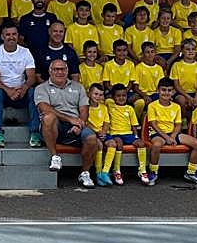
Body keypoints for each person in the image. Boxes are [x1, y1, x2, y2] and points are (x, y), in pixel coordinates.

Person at [34, 59, 96, 188]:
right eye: (56, 69)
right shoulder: (41, 88)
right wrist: (70, 119)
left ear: (67, 71)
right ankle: (55, 157)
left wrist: (79, 124)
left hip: (75, 124)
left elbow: (84, 110)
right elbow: (44, 108)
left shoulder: (78, 87)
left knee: (91, 138)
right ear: (50, 71)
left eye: (62, 69)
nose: (60, 72)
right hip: (55, 126)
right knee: (48, 117)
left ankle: (85, 173)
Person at [0, 22, 38, 148]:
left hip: (21, 92)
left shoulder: (25, 52)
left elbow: (31, 77)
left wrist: (24, 88)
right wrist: (8, 90)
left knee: (34, 91)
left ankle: (35, 133)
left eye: (14, 34)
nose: (11, 37)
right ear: (2, 36)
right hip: (3, 94)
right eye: (8, 34)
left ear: (18, 35)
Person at [146, 78, 197, 186]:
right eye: (163, 90)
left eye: (169, 90)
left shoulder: (176, 106)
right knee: (157, 145)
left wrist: (172, 136)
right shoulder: (152, 105)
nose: (166, 93)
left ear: (173, 92)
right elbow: (154, 125)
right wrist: (167, 138)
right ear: (158, 90)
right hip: (157, 133)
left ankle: (191, 172)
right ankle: (153, 171)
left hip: (173, 133)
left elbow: (178, 125)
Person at [105, 84, 146, 186]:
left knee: (141, 144)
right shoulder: (110, 106)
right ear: (113, 97)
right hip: (115, 134)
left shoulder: (130, 108)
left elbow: (134, 125)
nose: (121, 98)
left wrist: (136, 136)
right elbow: (105, 101)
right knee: (119, 143)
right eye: (118, 96)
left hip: (128, 134)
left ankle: (142, 170)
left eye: (124, 95)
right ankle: (116, 170)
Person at [85, 83, 113, 185]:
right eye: (95, 94)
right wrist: (97, 132)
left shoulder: (104, 107)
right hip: (92, 132)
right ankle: (98, 173)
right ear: (89, 94)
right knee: (99, 145)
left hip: (102, 132)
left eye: (100, 95)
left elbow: (106, 122)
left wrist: (104, 132)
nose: (98, 97)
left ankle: (105, 172)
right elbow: (86, 123)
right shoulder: (86, 107)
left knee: (112, 144)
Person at [170, 38, 197, 112]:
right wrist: (188, 97)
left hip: (195, 93)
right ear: (182, 51)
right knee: (181, 100)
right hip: (181, 93)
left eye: (193, 49)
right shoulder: (176, 65)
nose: (191, 51)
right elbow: (176, 85)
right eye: (187, 49)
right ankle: (183, 117)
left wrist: (196, 98)